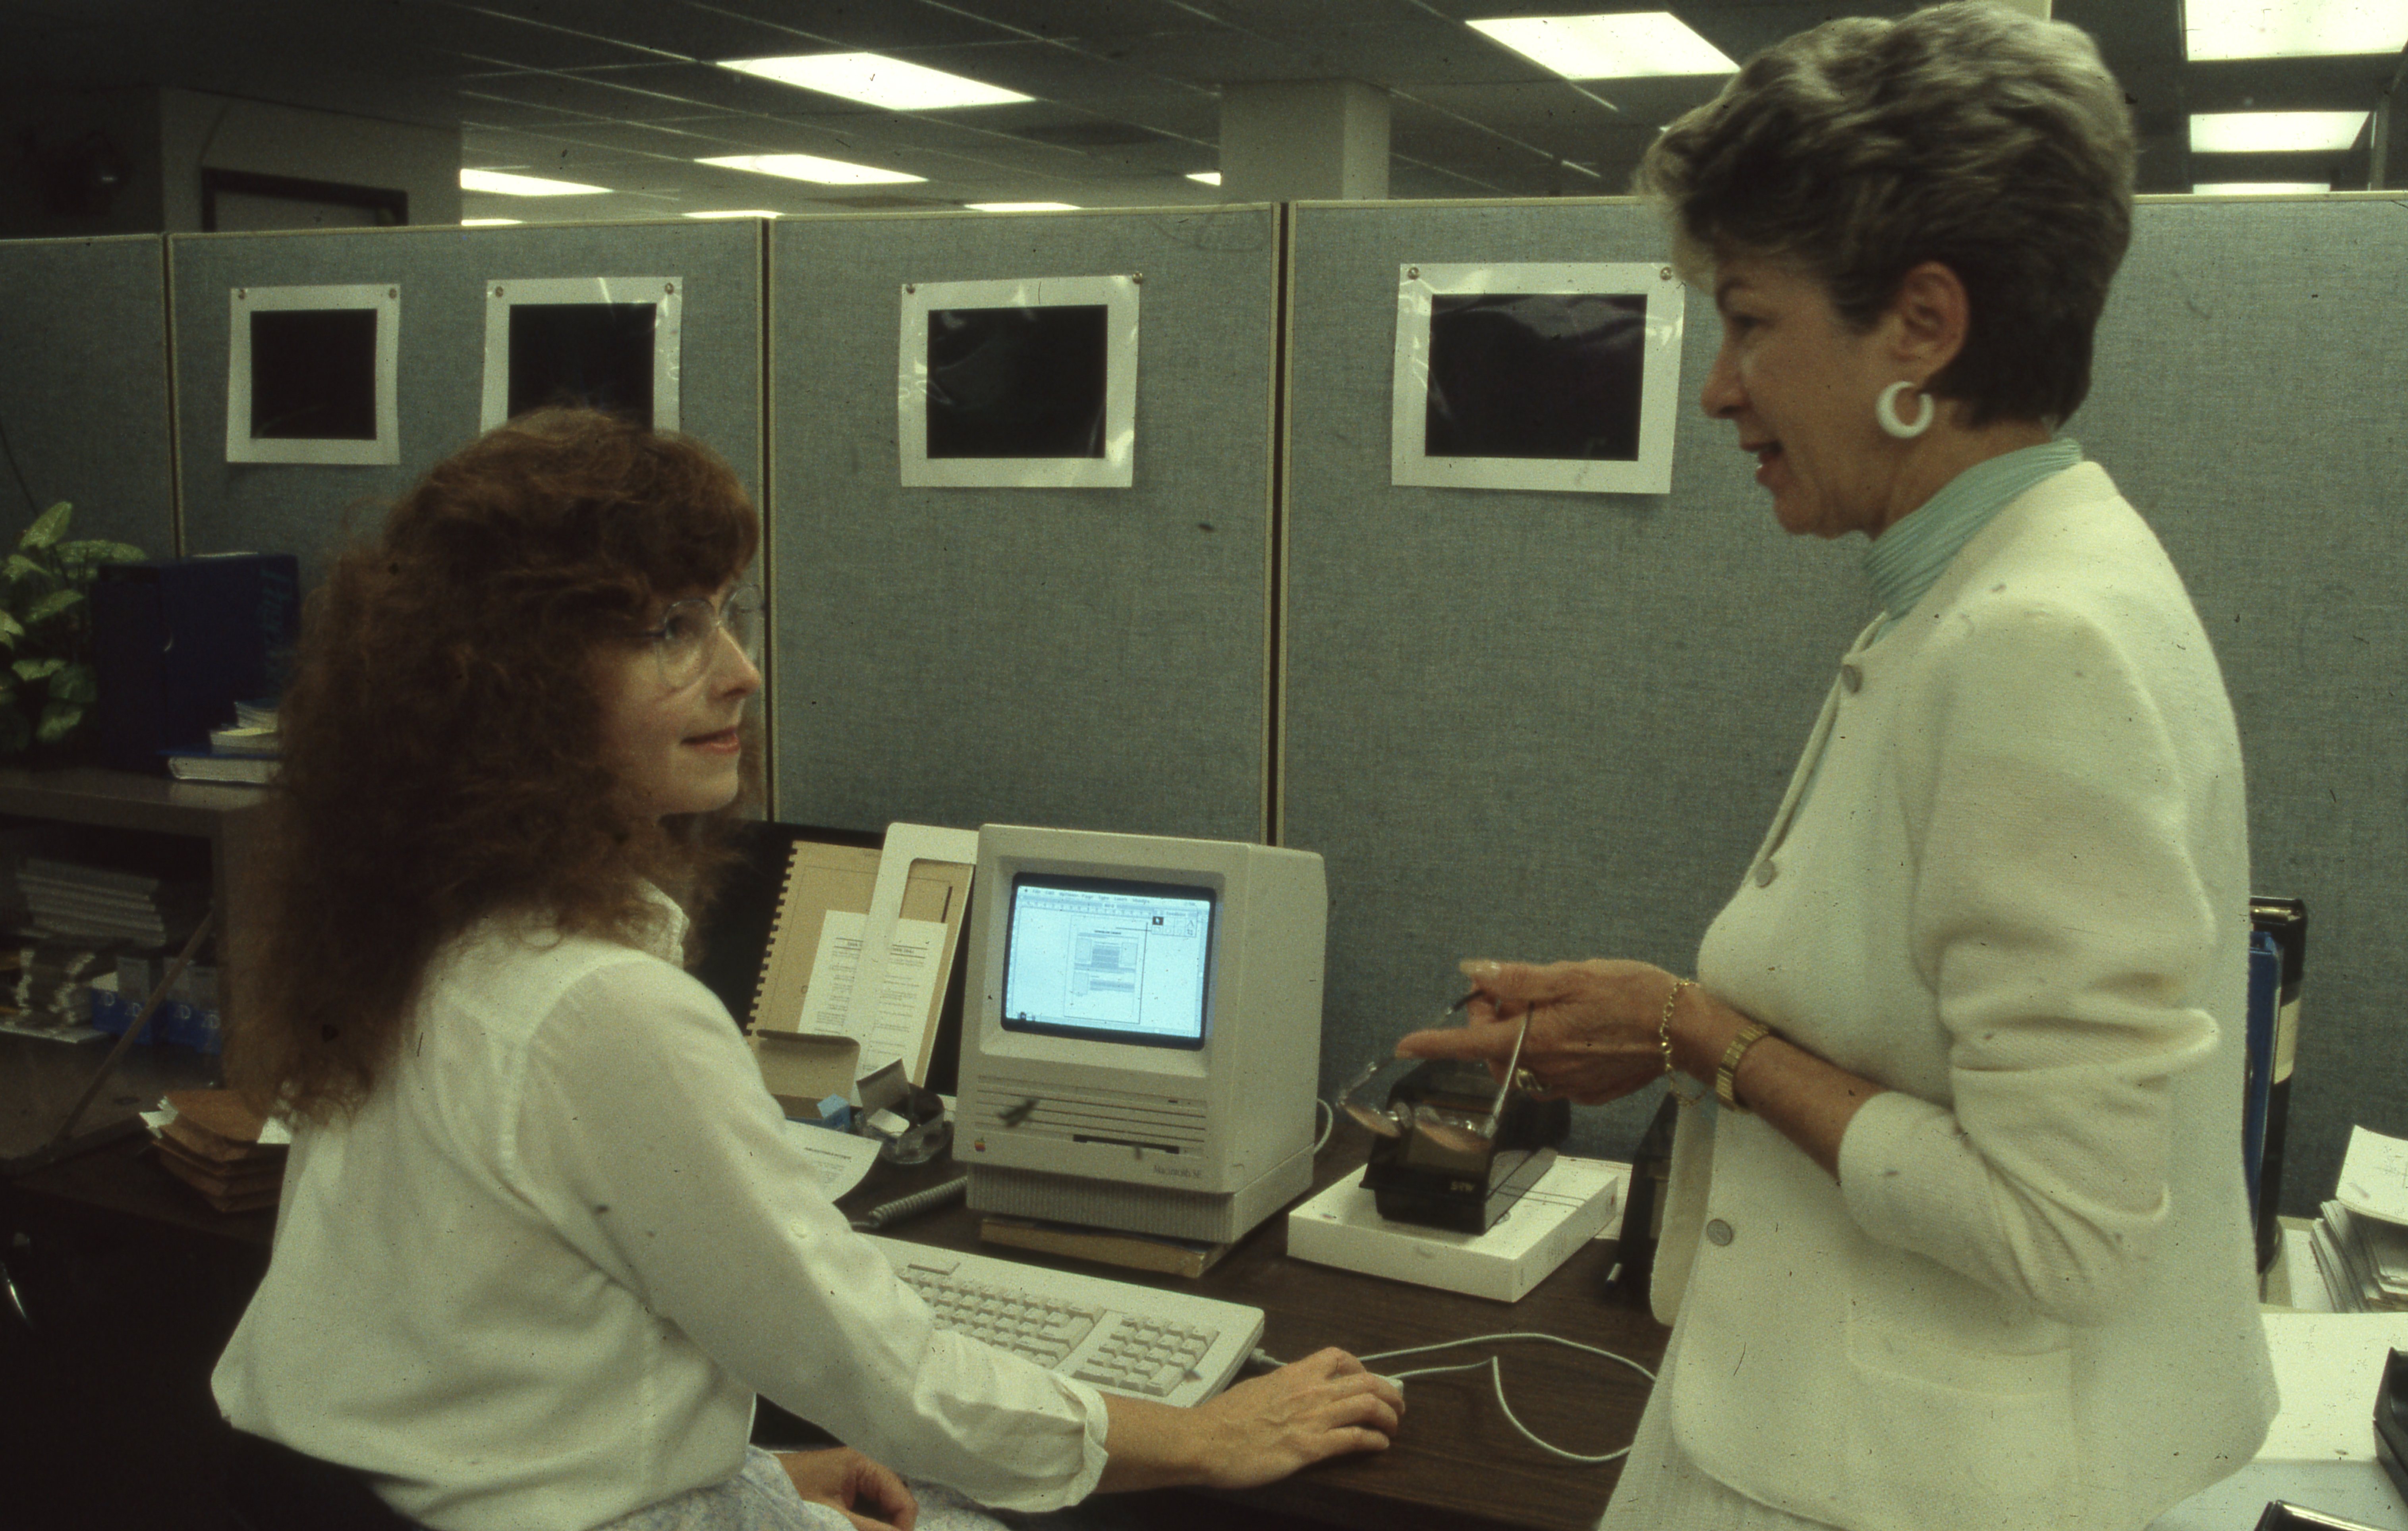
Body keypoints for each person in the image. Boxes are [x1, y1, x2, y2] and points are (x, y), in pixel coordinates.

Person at [1396, 7, 2276, 1529]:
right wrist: (1678, 1033)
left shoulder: (2031, 638)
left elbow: (2061, 1233)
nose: (1717, 387)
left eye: (1750, 321)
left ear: (1921, 329)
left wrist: (1701, 1032)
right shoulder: (1995, 582)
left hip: (1902, 1485)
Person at [211, 407, 1403, 1531]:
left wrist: (734, 1470)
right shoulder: (596, 1007)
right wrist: (1202, 1435)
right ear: (512, 687)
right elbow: (892, 1379)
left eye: (727, 614)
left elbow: (453, 1346)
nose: (739, 670)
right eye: (670, 630)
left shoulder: (423, 935)